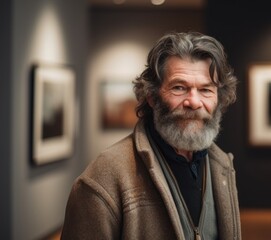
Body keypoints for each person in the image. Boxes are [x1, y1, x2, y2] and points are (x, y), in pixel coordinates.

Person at [61, 31, 241, 240]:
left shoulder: (222, 166)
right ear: (152, 97)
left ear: (219, 99)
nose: (194, 101)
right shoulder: (103, 177)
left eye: (206, 90)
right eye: (179, 88)